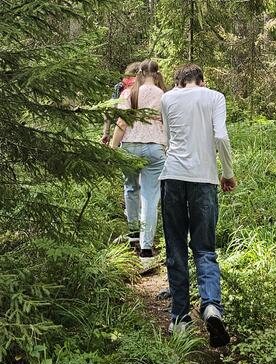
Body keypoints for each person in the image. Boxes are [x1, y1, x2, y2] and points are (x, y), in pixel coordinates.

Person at [159, 63, 237, 348]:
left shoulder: (167, 98)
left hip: (172, 178)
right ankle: (212, 306)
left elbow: (166, 140)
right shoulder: (214, 97)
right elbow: (221, 137)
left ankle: (179, 317)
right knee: (205, 248)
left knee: (176, 247)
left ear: (178, 82)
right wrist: (227, 173)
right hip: (204, 181)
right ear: (202, 81)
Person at [109, 60, 166, 264]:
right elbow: (167, 125)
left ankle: (133, 234)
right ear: (157, 74)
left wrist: (112, 149)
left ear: (140, 74)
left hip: (130, 146)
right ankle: (146, 247)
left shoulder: (129, 94)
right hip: (155, 147)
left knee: (131, 188)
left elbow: (121, 123)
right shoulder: (164, 96)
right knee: (150, 197)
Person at [101, 62, 139, 145]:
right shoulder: (149, 86)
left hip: (122, 132)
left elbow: (109, 110)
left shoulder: (120, 86)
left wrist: (106, 133)